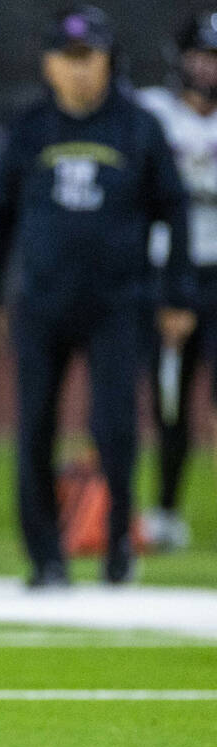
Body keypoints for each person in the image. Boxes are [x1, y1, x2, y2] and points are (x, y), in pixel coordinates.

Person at [0, 5, 195, 587]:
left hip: (120, 305)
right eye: (66, 59)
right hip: (43, 305)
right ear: (49, 64)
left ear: (107, 62)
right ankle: (45, 557)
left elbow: (175, 209)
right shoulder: (28, 127)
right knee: (34, 430)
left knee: (116, 429)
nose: (78, 71)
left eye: (88, 59)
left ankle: (119, 546)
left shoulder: (139, 126)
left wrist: (178, 292)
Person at [135, 10, 217, 551]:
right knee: (171, 398)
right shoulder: (151, 113)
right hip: (169, 271)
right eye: (200, 55)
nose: (207, 68)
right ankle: (164, 509)